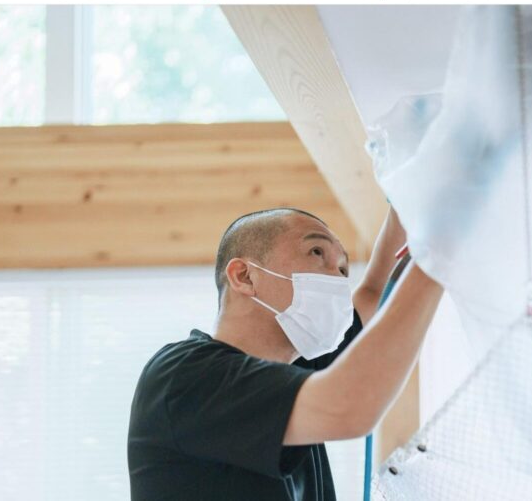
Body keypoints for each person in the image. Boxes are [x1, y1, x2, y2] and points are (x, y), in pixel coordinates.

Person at [127, 206, 443, 500]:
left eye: (343, 268)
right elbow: (348, 408)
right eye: (317, 252)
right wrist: (439, 256)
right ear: (244, 276)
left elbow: (375, 293)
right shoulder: (185, 375)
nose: (337, 278)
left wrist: (403, 202)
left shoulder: (296, 370)